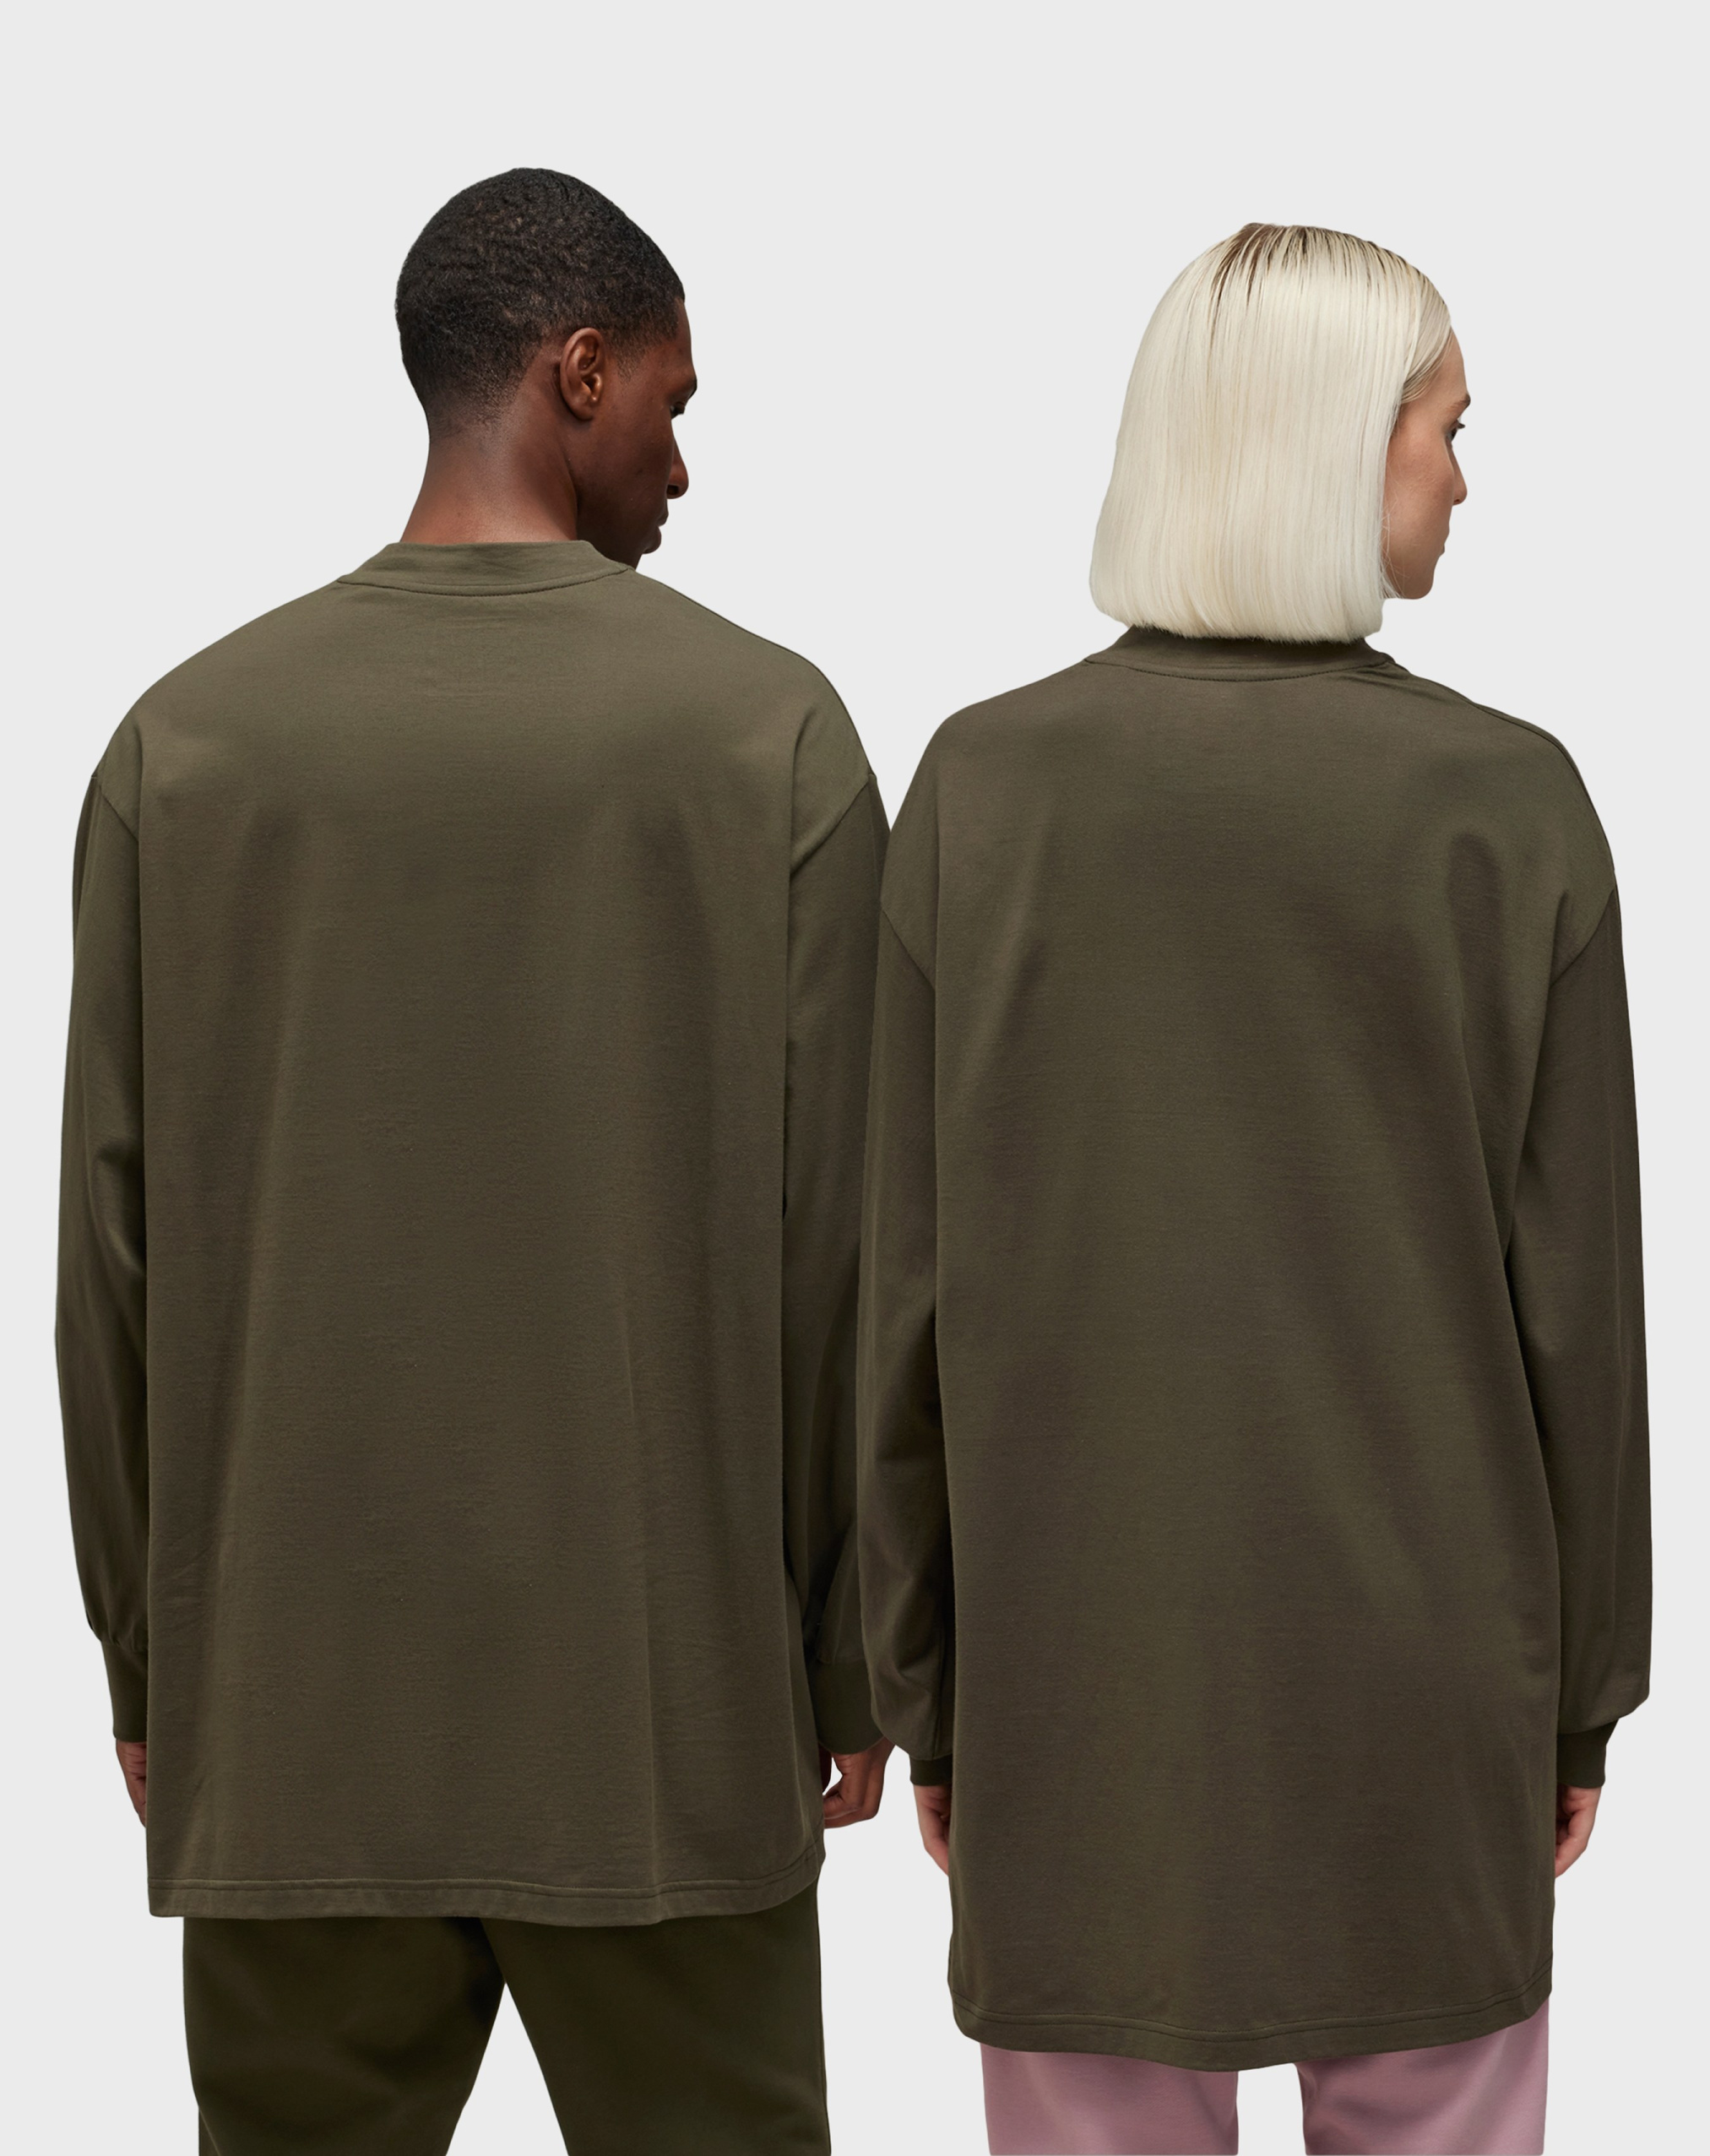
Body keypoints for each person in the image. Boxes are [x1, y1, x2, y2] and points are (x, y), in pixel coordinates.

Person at [57, 166, 890, 2156]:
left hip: (294, 1717)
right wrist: (847, 1655)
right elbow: (847, 1253)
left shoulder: (187, 746)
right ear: (576, 373)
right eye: (669, 403)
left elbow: (112, 1257)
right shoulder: (765, 739)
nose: (681, 464)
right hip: (664, 1720)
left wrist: (155, 1658)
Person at [857, 224, 1648, 2156]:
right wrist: (1578, 1696)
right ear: (1335, 443)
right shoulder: (1506, 806)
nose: (1460, 477)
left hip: (1074, 1696)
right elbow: (1579, 1316)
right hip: (1425, 1700)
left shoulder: (979, 792)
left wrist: (925, 1683)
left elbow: (906, 1298)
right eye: (1444, 428)